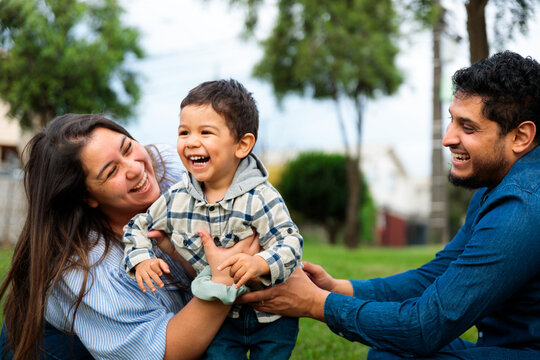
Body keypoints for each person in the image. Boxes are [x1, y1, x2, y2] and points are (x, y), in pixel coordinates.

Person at [240, 51, 540, 359]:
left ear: (521, 136)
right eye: (452, 120)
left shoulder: (523, 204)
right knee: (391, 349)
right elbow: (434, 276)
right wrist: (335, 288)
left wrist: (315, 303)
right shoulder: (496, 188)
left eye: (468, 127)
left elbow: (425, 326)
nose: (448, 138)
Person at [0, 113, 261, 360]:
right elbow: (166, 350)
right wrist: (222, 281)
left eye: (126, 148)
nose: (135, 168)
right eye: (111, 171)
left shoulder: (174, 170)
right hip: (56, 348)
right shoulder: (88, 268)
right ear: (88, 197)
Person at [122, 79, 302, 359]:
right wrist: (142, 257)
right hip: (220, 319)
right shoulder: (176, 198)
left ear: (242, 145)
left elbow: (290, 242)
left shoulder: (261, 197)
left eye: (206, 132)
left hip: (271, 316)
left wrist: (260, 263)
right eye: (184, 132)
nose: (192, 141)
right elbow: (138, 225)